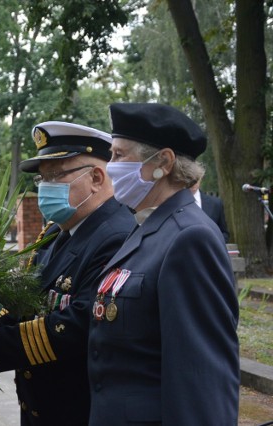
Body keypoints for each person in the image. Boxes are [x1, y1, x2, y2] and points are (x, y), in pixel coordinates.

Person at [88, 103, 239, 425]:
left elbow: (200, 377)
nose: (110, 166)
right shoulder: (147, 226)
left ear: (163, 162)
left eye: (119, 155)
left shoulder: (190, 238)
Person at [0, 122, 135, 425]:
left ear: (97, 178)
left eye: (56, 175)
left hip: (79, 410)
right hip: (41, 407)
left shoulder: (117, 236)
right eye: (43, 178)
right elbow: (25, 299)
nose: (45, 186)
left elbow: (80, 323)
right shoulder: (56, 232)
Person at [190, 177, 230, 242]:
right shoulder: (175, 203)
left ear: (201, 178)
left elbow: (224, 233)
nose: (193, 181)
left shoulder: (215, 204)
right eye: (190, 177)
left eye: (196, 178)